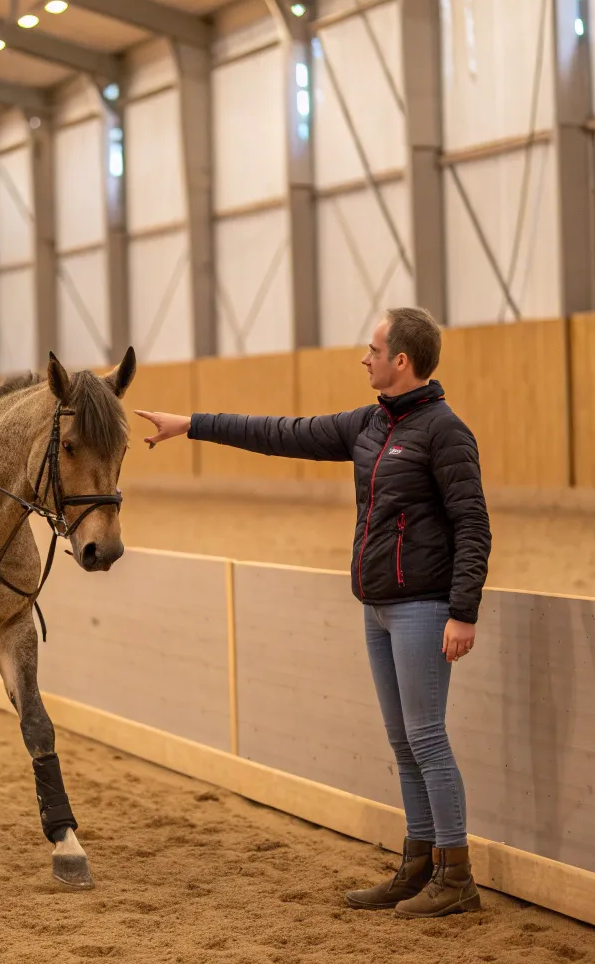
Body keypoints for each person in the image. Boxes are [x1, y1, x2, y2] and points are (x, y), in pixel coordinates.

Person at [137, 307, 490, 919]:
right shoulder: (369, 424)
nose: (365, 357)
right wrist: (192, 425)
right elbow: (281, 431)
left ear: (400, 360)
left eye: (373, 349)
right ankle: (417, 863)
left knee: (427, 738)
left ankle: (456, 875)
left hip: (423, 607)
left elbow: (473, 525)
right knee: (404, 742)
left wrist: (462, 612)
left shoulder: (444, 431)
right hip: (378, 605)